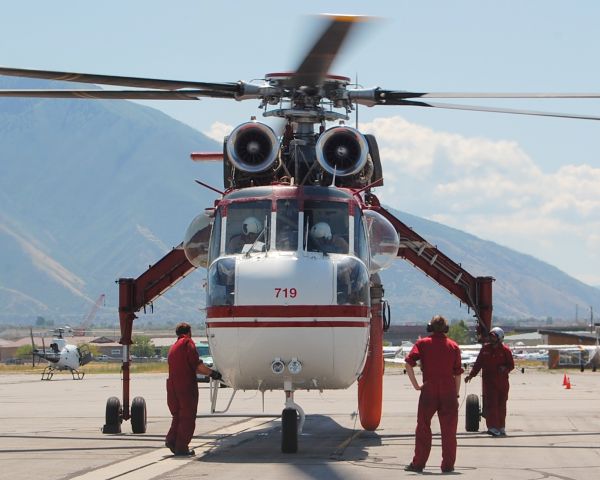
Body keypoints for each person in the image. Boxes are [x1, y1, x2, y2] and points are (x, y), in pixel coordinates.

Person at [404, 315, 463, 473]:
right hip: (449, 391)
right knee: (449, 431)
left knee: (423, 427)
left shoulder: (422, 344)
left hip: (429, 391)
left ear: (430, 327)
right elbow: (458, 374)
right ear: (446, 328)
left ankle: (418, 464)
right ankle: (448, 466)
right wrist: (455, 395)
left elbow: (408, 363)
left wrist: (417, 386)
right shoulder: (454, 346)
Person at [165, 322, 222, 456]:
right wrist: (213, 373)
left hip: (172, 386)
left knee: (177, 415)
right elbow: (196, 365)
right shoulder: (187, 344)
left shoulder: (173, 347)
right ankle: (182, 447)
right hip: (185, 385)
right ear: (189, 332)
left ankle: (172, 440)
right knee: (187, 416)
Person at [465, 326, 514, 437]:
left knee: (502, 405)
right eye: (490, 336)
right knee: (491, 405)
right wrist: (471, 375)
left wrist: (504, 369)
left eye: (494, 337)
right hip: (489, 382)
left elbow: (511, 365)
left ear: (500, 338)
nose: (491, 339)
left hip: (502, 383)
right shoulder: (485, 350)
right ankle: (492, 427)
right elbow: (478, 364)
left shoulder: (506, 350)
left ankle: (501, 427)